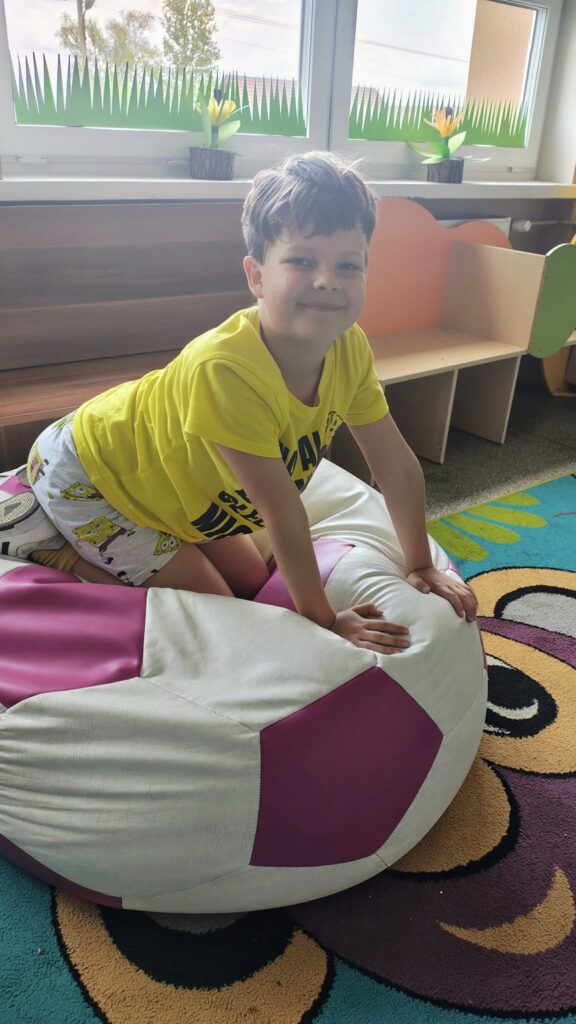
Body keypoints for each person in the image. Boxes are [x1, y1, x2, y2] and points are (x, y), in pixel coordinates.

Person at [27, 150, 476, 653]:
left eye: (349, 265)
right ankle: (65, 555)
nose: (328, 279)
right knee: (221, 608)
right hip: (90, 478)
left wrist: (419, 565)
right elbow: (283, 513)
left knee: (250, 579)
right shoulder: (226, 370)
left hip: (171, 485)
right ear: (256, 276)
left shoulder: (349, 347)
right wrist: (325, 623)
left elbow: (396, 466)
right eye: (302, 260)